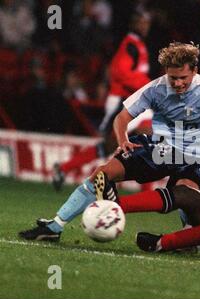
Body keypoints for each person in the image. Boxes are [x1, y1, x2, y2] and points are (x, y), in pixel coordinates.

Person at [19, 41, 200, 241]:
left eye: (183, 77)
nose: (177, 83)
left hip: (198, 158)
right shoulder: (155, 89)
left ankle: (189, 237)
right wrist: (123, 139)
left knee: (186, 194)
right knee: (103, 174)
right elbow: (121, 118)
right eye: (172, 77)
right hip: (162, 149)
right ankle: (55, 226)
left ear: (195, 70)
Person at [52, 11, 153, 191]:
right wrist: (149, 86)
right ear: (134, 24)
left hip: (134, 100)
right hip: (123, 100)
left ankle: (143, 188)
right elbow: (120, 73)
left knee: (147, 137)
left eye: (147, 22)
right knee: (111, 145)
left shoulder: (138, 45)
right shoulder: (130, 45)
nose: (145, 26)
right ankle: (65, 169)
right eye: (142, 22)